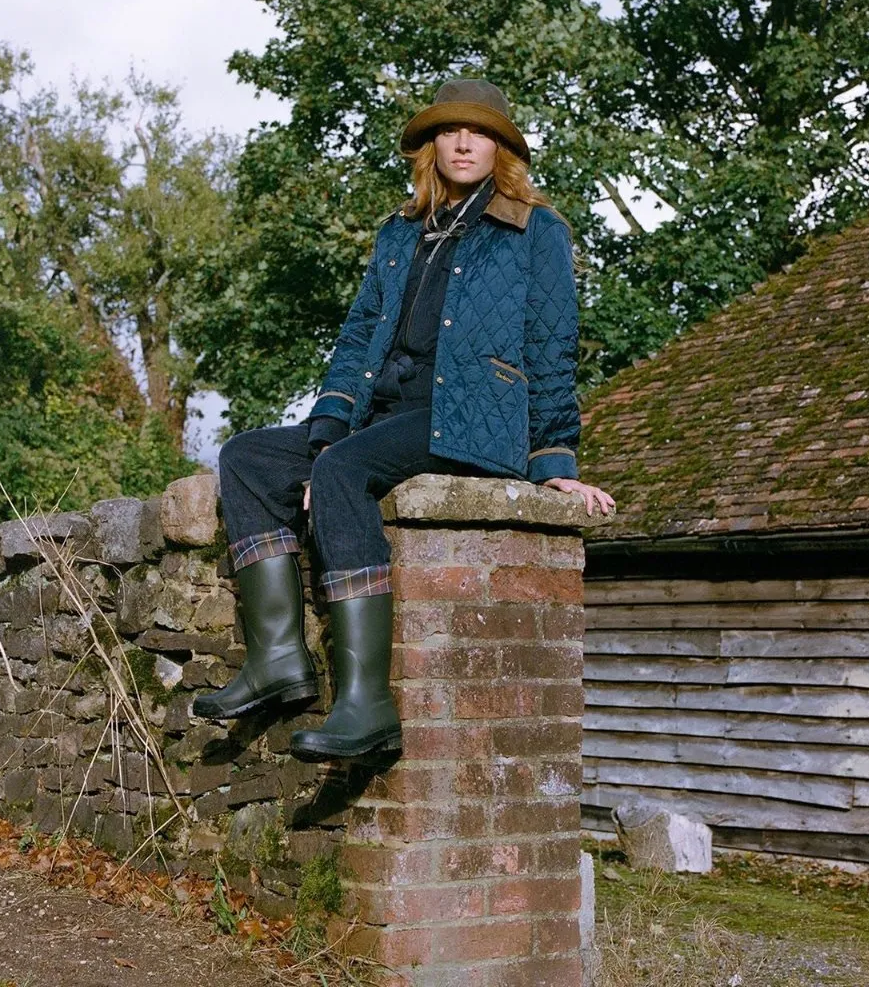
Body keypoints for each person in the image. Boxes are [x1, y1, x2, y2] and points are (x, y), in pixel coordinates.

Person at [193, 78, 613, 762]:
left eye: (480, 132)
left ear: (503, 147)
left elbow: (551, 346)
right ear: (431, 146)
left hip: (468, 420)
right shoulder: (400, 231)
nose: (464, 142)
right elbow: (358, 338)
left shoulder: (535, 229)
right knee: (248, 457)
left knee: (343, 471)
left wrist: (555, 462)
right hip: (381, 413)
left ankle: (368, 706)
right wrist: (325, 431)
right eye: (451, 131)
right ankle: (278, 661)